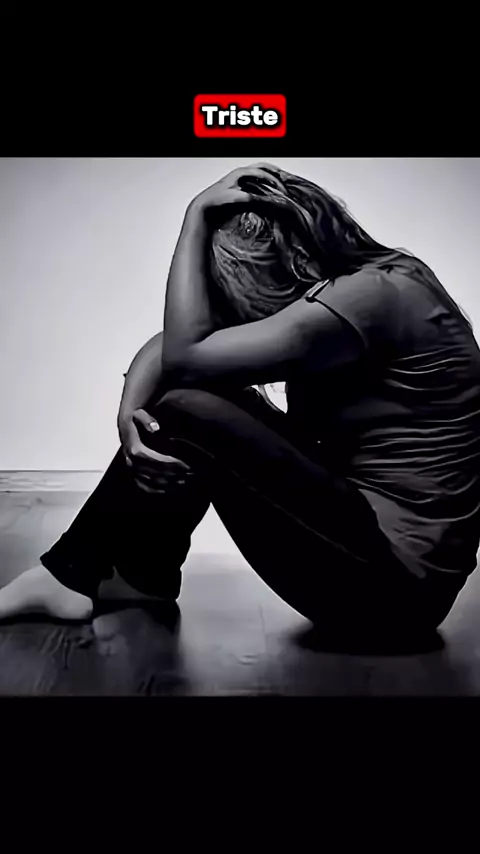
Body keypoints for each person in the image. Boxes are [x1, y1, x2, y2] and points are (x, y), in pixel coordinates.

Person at [1, 163, 480, 644]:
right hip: (374, 559)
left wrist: (195, 215)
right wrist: (129, 412)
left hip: (390, 590)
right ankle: (142, 577)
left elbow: (185, 357)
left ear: (295, 261)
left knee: (190, 409)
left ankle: (69, 572)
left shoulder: (366, 299)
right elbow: (173, 348)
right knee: (194, 400)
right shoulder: (381, 281)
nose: (245, 306)